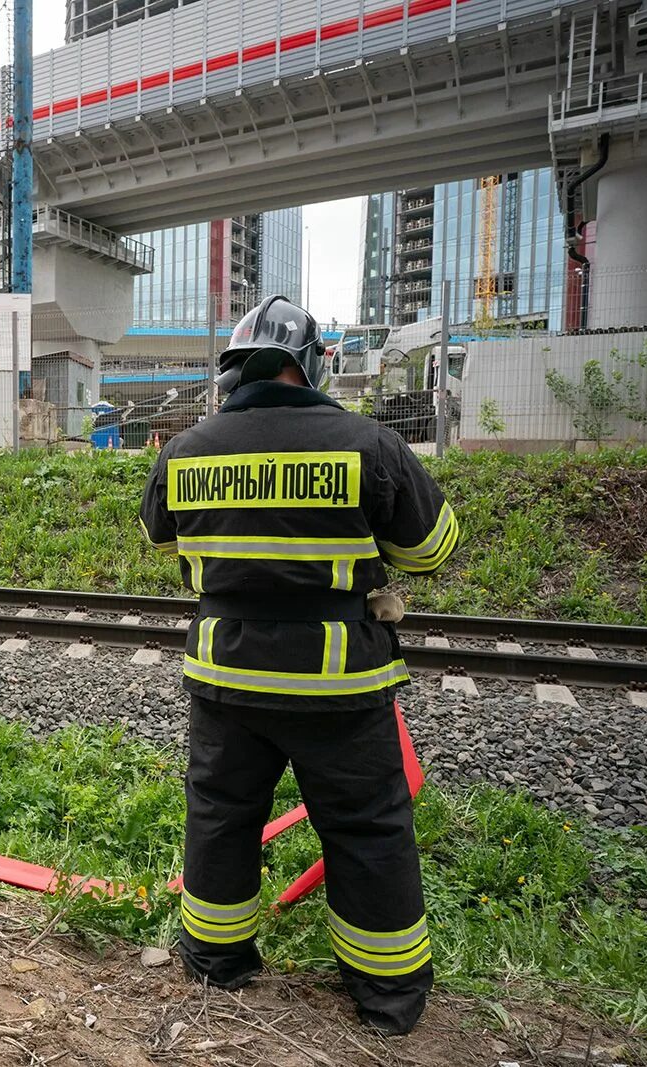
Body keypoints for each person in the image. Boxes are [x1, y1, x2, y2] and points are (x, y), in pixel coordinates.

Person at [139, 296, 460, 1036]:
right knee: (366, 828)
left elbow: (161, 537)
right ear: (312, 364)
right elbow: (431, 550)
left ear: (233, 371)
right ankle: (387, 995)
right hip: (339, 685)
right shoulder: (368, 444)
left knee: (221, 816)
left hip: (228, 680)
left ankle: (216, 961)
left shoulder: (185, 450)